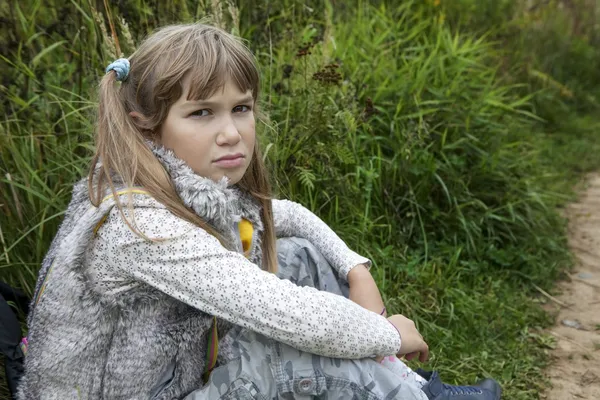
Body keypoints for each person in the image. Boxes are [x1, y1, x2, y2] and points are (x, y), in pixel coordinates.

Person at [17, 23, 502, 400]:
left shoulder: (182, 183)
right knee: (291, 344)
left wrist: (357, 267)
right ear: (145, 125)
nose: (231, 133)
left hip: (168, 375)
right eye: (202, 113)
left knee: (299, 254)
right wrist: (388, 334)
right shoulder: (138, 226)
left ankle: (405, 387)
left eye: (241, 108)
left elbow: (280, 214)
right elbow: (294, 317)